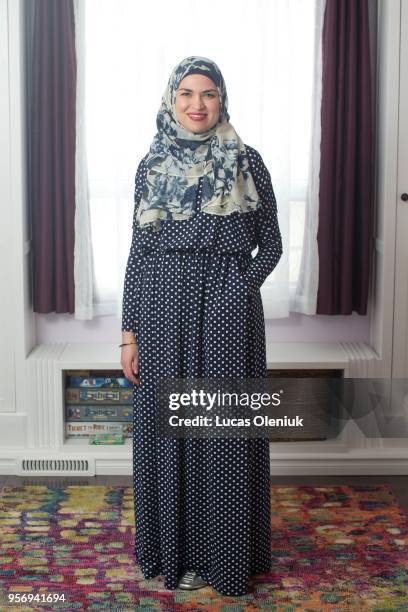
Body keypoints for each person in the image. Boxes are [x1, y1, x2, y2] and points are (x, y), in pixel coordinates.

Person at [120, 56, 283, 597]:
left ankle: (228, 558)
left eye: (208, 94)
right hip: (162, 305)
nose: (197, 104)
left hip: (227, 307)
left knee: (223, 432)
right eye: (186, 94)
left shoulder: (246, 160)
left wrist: (240, 286)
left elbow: (273, 244)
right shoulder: (151, 165)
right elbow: (139, 254)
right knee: (167, 429)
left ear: (222, 100)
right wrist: (129, 332)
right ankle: (177, 555)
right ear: (172, 100)